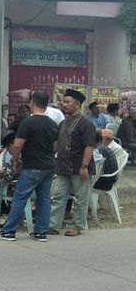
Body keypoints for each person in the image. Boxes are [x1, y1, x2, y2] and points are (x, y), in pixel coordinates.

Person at [0, 91, 59, 242]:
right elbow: (56, 145)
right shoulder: (52, 123)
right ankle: (41, 232)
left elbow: (17, 146)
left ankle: (8, 231)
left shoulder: (27, 122)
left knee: (20, 197)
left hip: (32, 166)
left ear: (32, 103)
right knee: (44, 199)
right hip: (49, 165)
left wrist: (15, 161)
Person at [49, 88, 97, 237]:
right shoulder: (63, 123)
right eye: (63, 101)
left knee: (81, 199)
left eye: (67, 102)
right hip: (63, 167)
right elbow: (57, 143)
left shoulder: (86, 123)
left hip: (80, 167)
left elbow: (89, 146)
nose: (64, 104)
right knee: (58, 197)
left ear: (77, 104)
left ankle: (77, 226)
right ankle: (53, 225)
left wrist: (84, 167)